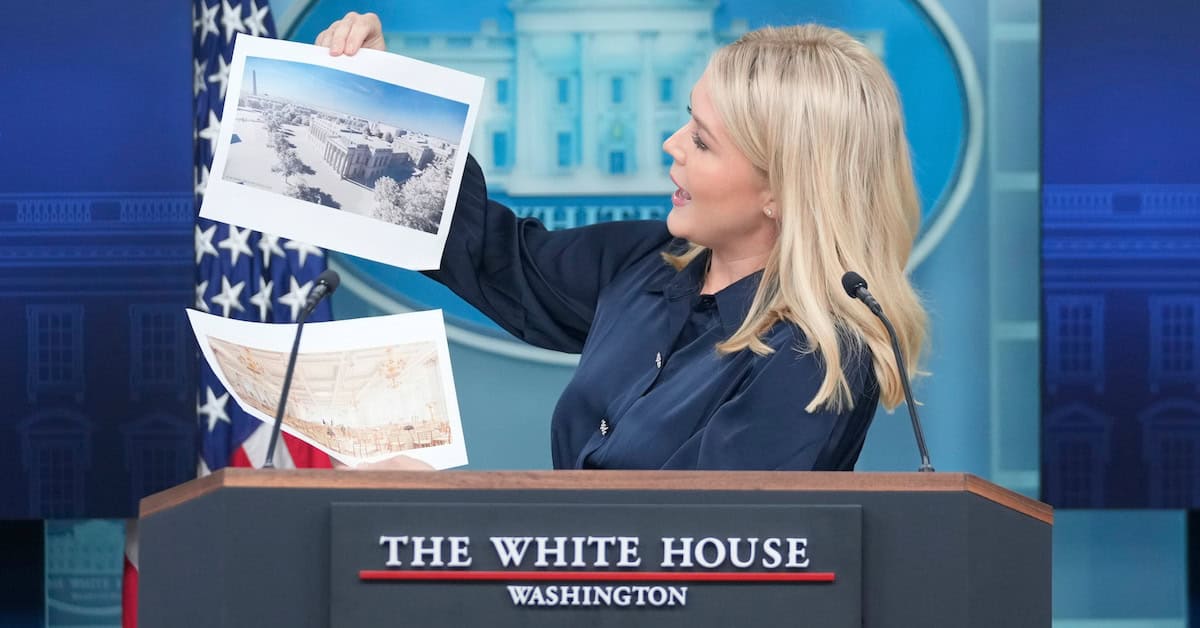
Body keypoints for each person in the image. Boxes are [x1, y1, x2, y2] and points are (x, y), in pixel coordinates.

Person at [317, 12, 927, 471]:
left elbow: (685, 551)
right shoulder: (650, 262)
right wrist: (388, 101)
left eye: (703, 141)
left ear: (782, 189)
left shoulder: (816, 355)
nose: (672, 144)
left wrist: (443, 510)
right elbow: (496, 256)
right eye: (688, 119)